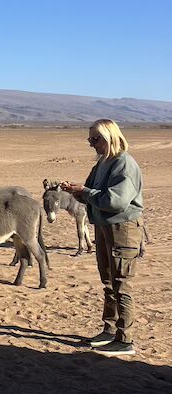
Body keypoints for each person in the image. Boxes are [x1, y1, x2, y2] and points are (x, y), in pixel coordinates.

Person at [61, 118, 144, 356]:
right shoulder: (102, 163)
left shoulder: (124, 163)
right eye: (89, 139)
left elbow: (115, 201)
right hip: (104, 226)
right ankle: (109, 330)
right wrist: (75, 191)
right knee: (108, 281)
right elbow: (90, 194)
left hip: (123, 228)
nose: (91, 145)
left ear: (109, 137)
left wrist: (85, 192)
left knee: (121, 283)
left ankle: (125, 339)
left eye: (94, 139)